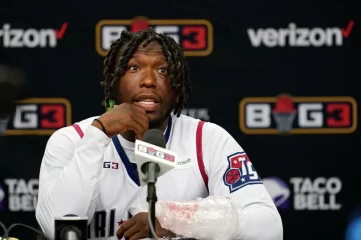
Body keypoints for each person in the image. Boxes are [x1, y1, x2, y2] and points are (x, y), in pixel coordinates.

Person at [35, 28, 283, 240]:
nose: (149, 81)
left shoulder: (207, 139)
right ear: (113, 82)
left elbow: (269, 227)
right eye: (134, 67)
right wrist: (98, 135)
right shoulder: (72, 139)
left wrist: (172, 219)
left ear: (176, 88)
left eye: (163, 70)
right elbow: (57, 228)